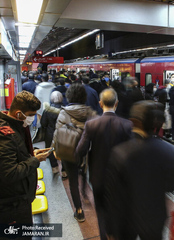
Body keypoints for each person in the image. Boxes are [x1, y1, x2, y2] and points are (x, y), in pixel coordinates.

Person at [104, 101, 174, 240]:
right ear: (155, 124)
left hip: (125, 221)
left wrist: (110, 228)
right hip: (154, 217)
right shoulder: (168, 151)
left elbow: (111, 196)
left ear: (133, 121)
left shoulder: (119, 153)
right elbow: (172, 185)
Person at [75, 88, 133, 239]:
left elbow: (80, 150)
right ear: (117, 103)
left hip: (98, 176)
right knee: (120, 208)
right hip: (121, 178)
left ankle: (104, 236)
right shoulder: (127, 125)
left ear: (100, 104)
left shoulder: (91, 124)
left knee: (101, 211)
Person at [0, 91, 51, 233]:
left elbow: (17, 153)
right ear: (18, 114)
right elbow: (9, 173)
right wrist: (35, 160)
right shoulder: (5, 136)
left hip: (20, 198)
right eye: (30, 115)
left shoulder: (15, 127)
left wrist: (32, 152)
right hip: (12, 204)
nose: (32, 118)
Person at [52, 83, 97, 222]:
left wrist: (55, 150)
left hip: (69, 151)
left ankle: (79, 210)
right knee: (83, 172)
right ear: (84, 97)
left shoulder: (63, 112)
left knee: (72, 181)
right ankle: (84, 191)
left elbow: (57, 133)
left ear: (69, 96)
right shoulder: (91, 112)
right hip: (85, 151)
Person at [40, 91, 63, 174]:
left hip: (50, 133)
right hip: (63, 133)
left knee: (51, 150)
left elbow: (43, 123)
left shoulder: (47, 110)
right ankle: (64, 171)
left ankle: (54, 167)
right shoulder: (65, 109)